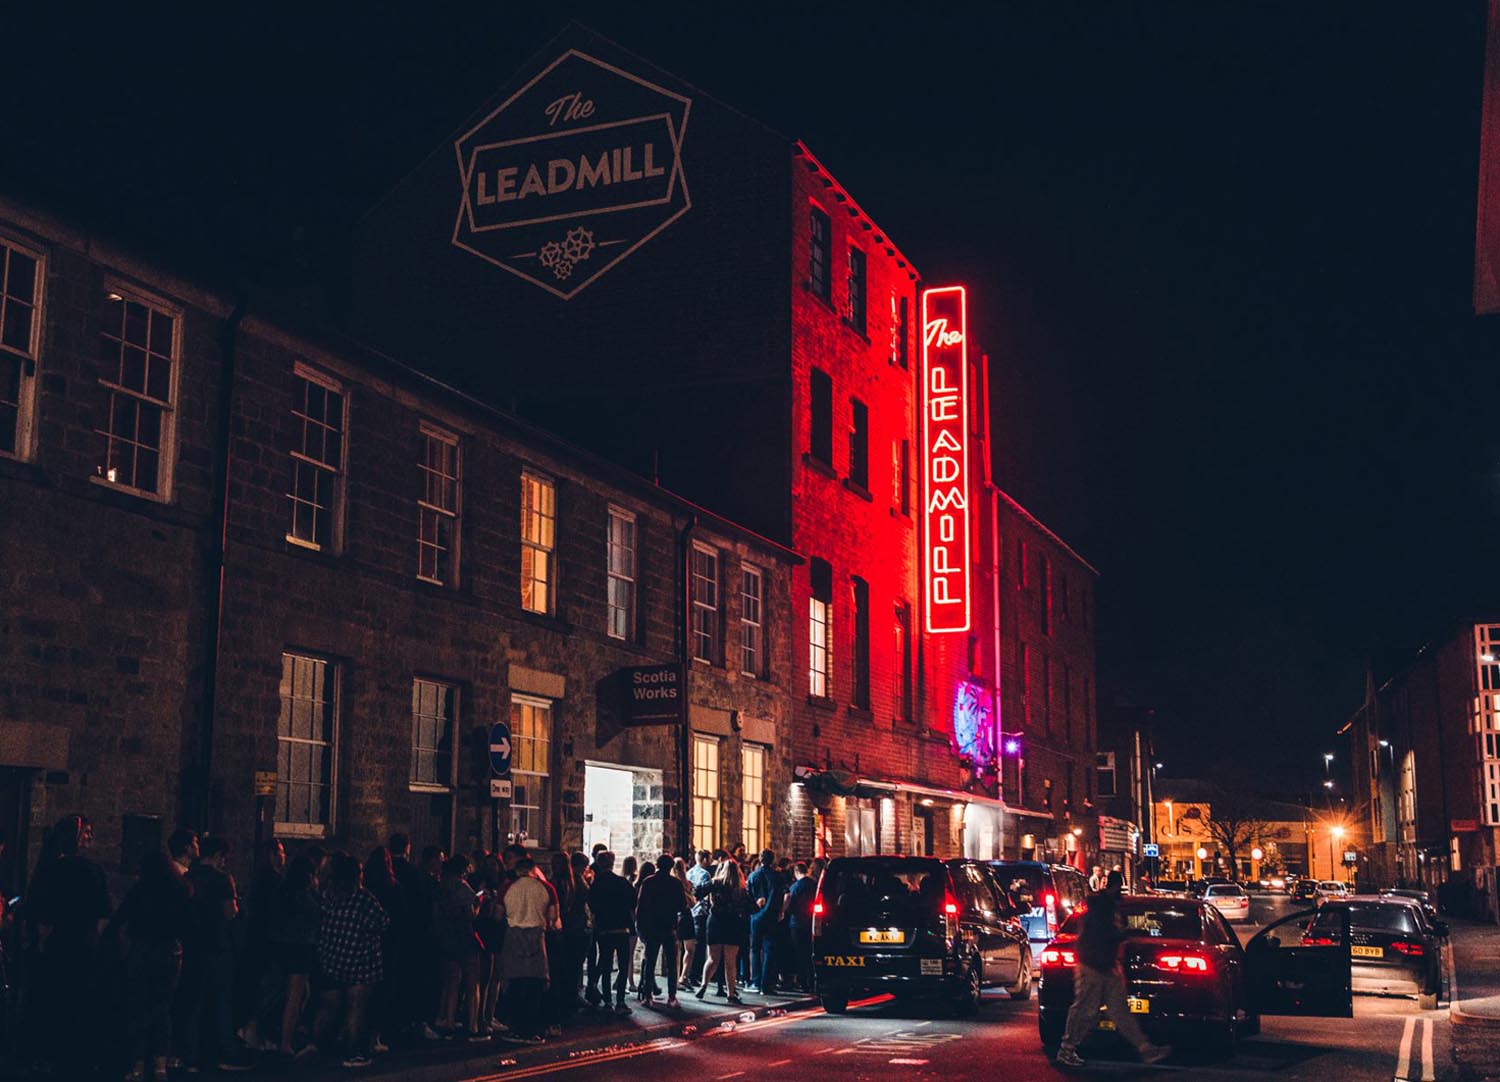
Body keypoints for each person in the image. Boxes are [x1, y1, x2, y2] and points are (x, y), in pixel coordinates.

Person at [1055, 871, 1171, 1070]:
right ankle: (1067, 1048)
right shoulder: (1104, 907)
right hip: (1096, 964)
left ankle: (1146, 1049)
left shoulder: (1101, 905)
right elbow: (1107, 933)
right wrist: (1125, 934)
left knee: (1114, 1011)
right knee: (1087, 1009)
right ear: (1116, 885)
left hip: (1103, 963)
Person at [113, 851, 194, 1082]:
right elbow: (188, 924)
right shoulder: (180, 890)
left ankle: (138, 1066)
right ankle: (160, 1064)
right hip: (170, 951)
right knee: (163, 1007)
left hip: (143, 950)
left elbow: (121, 918)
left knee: (138, 1008)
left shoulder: (141, 890)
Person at [311, 853, 390, 1069]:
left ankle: (318, 1044)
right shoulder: (363, 898)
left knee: (328, 1007)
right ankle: (354, 1052)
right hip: (359, 962)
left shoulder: (327, 895)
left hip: (330, 959)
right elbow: (383, 922)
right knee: (356, 1007)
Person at [184, 837, 252, 1072]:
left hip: (193, 947)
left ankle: (190, 1055)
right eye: (224, 857)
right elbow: (230, 913)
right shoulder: (222, 879)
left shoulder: (188, 877)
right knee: (222, 1001)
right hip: (218, 946)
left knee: (194, 1002)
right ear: (218, 855)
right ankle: (226, 1052)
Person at [498, 855, 556, 1043]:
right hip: (536, 935)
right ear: (533, 869)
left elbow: (498, 913)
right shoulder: (546, 888)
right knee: (535, 984)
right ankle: (532, 1029)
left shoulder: (507, 887)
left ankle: (515, 1027)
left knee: (514, 982)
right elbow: (553, 918)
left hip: (513, 934)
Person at [271, 852, 322, 1057]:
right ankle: (286, 1042)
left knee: (295, 994)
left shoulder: (283, 890)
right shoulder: (304, 894)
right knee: (295, 996)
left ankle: (282, 1036)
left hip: (283, 945)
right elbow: (317, 915)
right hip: (300, 947)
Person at [433, 854, 485, 1040]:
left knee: (452, 982)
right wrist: (479, 903)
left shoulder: (441, 886)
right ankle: (472, 1025)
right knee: (472, 984)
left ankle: (448, 1020)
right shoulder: (464, 888)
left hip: (447, 938)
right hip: (464, 937)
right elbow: (471, 915)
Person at [362, 847, 404, 1055]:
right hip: (388, 944)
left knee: (364, 991)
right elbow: (397, 919)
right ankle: (374, 1037)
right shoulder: (393, 887)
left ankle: (357, 1033)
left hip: (365, 944)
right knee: (383, 990)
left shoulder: (366, 886)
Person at [587, 851, 636, 1012]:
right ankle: (620, 1001)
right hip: (622, 928)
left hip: (604, 929)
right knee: (622, 966)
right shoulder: (622, 882)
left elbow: (592, 905)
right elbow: (632, 902)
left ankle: (608, 1001)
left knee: (606, 966)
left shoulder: (596, 884)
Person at [697, 859, 750, 1005]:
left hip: (715, 922)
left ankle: (703, 986)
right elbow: (751, 908)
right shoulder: (741, 888)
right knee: (730, 962)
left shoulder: (715, 883)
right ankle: (731, 994)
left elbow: (698, 892)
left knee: (712, 959)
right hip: (733, 924)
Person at [635, 859, 687, 1007]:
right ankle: (671, 997)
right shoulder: (675, 883)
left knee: (650, 962)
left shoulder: (648, 882)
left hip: (652, 926)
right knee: (671, 963)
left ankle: (647, 996)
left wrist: (641, 926)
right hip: (669, 926)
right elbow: (682, 906)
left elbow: (641, 907)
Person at [476, 854, 509, 1035]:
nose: (492, 868)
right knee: (485, 978)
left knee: (495, 977)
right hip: (485, 931)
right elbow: (478, 904)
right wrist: (483, 895)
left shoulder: (503, 885)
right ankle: (481, 1017)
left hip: (498, 931)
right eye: (489, 864)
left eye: (495, 864)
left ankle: (490, 1015)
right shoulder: (482, 885)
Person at [746, 850, 784, 994]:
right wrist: (781, 911)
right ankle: (766, 983)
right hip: (772, 915)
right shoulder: (777, 876)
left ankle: (755, 981)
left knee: (755, 949)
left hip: (756, 916)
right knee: (769, 950)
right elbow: (782, 895)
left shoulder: (753, 876)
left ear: (760, 859)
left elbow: (748, 895)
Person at [783, 861, 817, 993]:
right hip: (811, 922)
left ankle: (803, 982)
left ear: (796, 872)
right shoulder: (814, 885)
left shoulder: (795, 887)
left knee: (800, 954)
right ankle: (812, 981)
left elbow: (790, 905)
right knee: (810, 953)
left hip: (797, 923)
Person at [671, 858, 699, 990]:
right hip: (684, 915)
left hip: (676, 915)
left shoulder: (681, 883)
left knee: (678, 949)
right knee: (688, 949)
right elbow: (693, 903)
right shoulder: (685, 884)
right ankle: (682, 977)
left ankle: (679, 978)